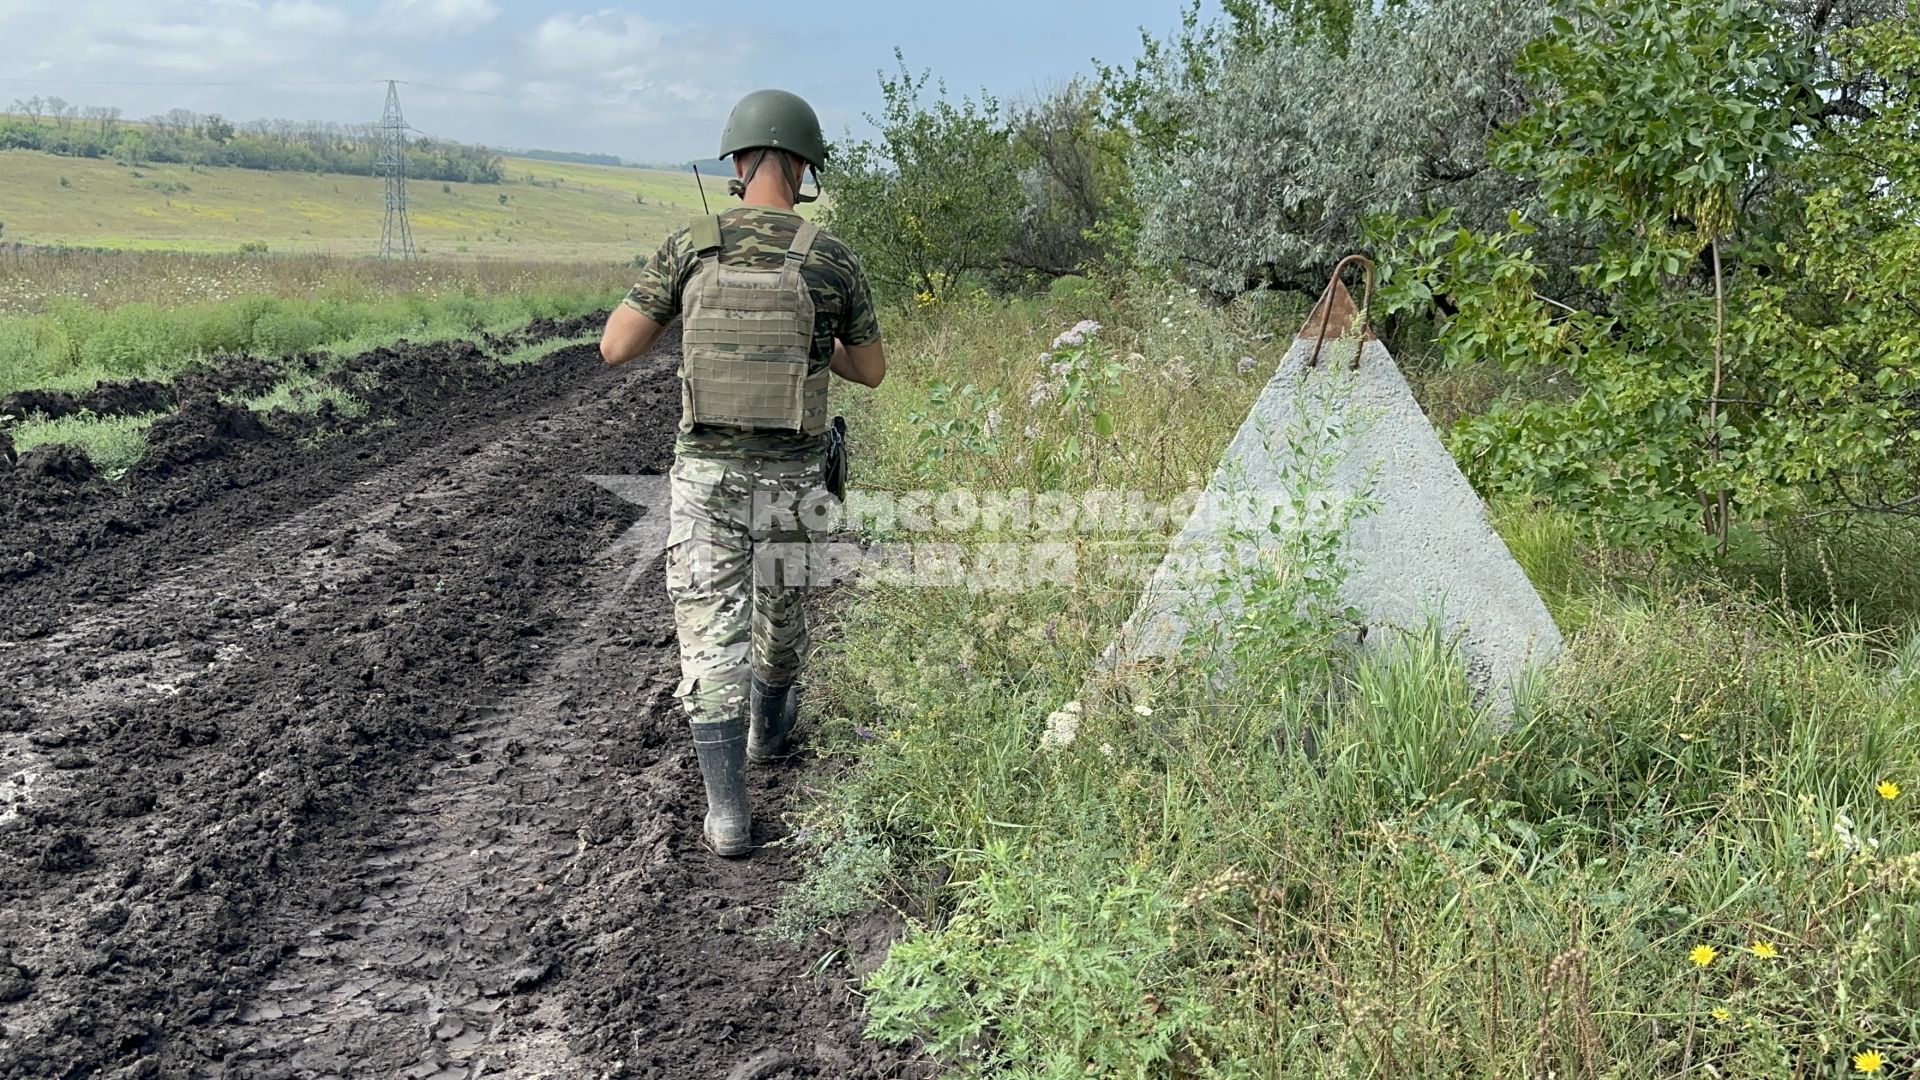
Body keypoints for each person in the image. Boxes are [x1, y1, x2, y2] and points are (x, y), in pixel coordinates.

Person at [598, 89, 887, 857]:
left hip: (706, 480)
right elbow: (872, 372)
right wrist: (804, 341)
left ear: (736, 159)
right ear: (804, 165)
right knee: (781, 614)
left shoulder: (689, 244)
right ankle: (771, 728)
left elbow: (616, 347)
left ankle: (727, 814)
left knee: (708, 631)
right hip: (793, 479)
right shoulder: (829, 257)